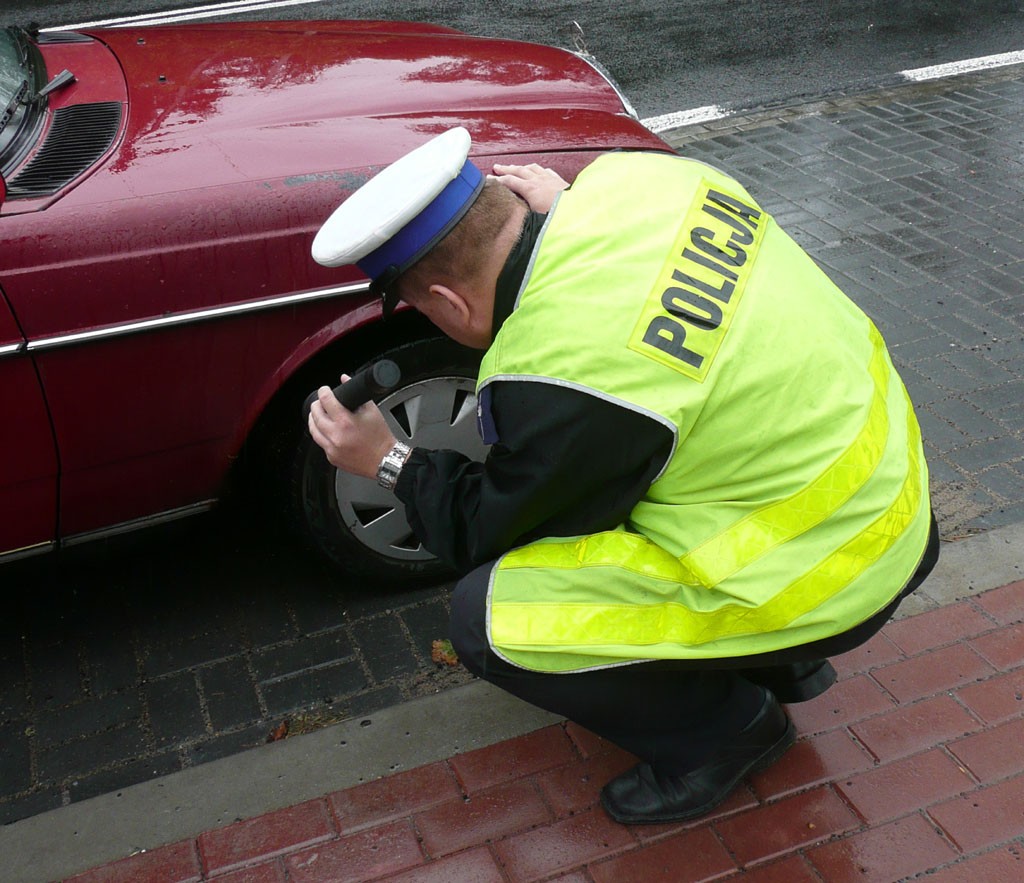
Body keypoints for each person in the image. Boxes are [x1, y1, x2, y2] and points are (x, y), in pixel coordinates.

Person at [307, 127, 939, 824]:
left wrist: (386, 459)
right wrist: (568, 201)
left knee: (491, 617)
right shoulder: (641, 180)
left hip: (833, 570)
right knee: (662, 462)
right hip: (890, 485)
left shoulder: (561, 371)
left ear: (448, 305)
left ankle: (727, 734)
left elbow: (486, 528)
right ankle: (781, 662)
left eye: (423, 306)